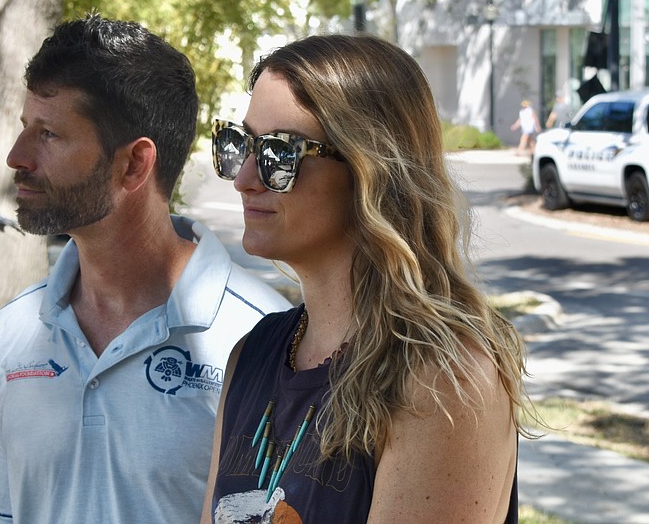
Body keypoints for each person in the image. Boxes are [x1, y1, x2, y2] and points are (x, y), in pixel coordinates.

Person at [0, 14, 290, 524]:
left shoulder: (267, 340)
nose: (17, 157)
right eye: (24, 129)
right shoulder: (15, 331)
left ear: (133, 164)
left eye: (50, 135)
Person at [202, 34, 535, 523]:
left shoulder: (442, 378)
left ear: (369, 170)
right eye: (240, 143)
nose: (243, 177)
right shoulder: (252, 354)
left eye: (280, 152)